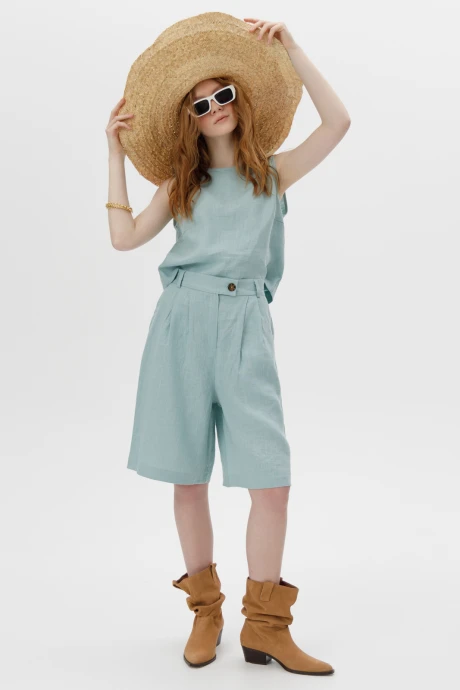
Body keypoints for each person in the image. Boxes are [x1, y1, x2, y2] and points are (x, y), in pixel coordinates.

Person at [105, 13, 350, 675]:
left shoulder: (271, 174)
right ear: (189, 119)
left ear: (240, 100)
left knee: (270, 482)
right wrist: (114, 154)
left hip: (246, 327)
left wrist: (293, 47)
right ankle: (206, 612)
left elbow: (338, 124)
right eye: (200, 103)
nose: (214, 107)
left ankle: (266, 626)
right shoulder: (179, 185)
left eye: (223, 94)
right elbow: (124, 240)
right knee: (188, 479)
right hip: (181, 325)